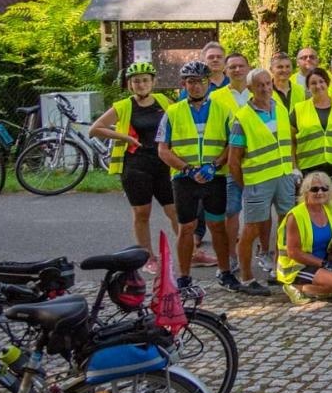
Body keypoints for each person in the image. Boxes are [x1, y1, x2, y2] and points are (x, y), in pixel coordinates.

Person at [88, 60, 176, 271]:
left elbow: (180, 121)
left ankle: (189, 251)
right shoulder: (124, 106)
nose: (141, 84)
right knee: (141, 213)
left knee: (175, 211)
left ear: (153, 82)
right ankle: (148, 257)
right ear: (130, 85)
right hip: (136, 165)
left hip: (163, 164)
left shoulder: (164, 101)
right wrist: (124, 137)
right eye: (136, 81)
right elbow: (95, 129)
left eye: (145, 80)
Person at [157, 61, 233, 293]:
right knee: (186, 227)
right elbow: (163, 149)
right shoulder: (173, 112)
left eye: (200, 81)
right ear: (184, 84)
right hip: (184, 178)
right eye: (191, 82)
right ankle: (184, 277)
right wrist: (187, 169)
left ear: (209, 83)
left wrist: (215, 164)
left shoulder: (223, 110)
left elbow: (232, 144)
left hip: (215, 175)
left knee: (217, 226)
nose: (196, 86)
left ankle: (226, 272)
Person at [226, 68, 297, 295]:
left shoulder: (281, 109)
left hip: (284, 176)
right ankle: (246, 278)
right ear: (250, 89)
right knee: (252, 230)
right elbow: (233, 160)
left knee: (286, 225)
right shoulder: (242, 117)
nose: (265, 88)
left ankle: (279, 269)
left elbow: (287, 143)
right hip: (258, 180)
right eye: (260, 85)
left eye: (268, 83)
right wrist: (246, 185)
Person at [277, 171, 332, 303]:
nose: (320, 193)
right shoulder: (296, 216)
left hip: (322, 255)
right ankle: (297, 287)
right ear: (306, 192)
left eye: (324, 188)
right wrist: (323, 264)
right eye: (314, 189)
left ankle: (326, 286)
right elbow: (293, 252)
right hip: (297, 265)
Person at [293, 67, 332, 216]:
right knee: (309, 207)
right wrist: (294, 167)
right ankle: (311, 237)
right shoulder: (299, 109)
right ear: (308, 86)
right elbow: (290, 142)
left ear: (328, 83)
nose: (318, 86)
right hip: (309, 165)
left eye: (321, 81)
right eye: (313, 83)